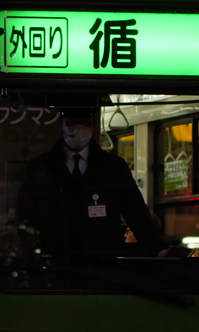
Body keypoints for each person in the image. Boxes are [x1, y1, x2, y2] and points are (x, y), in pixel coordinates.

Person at [16, 106, 163, 262]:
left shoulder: (114, 167)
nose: (79, 128)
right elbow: (26, 216)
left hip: (102, 263)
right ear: (61, 126)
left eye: (85, 123)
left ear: (93, 126)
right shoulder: (40, 167)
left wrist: (158, 249)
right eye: (72, 122)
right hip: (56, 263)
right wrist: (31, 256)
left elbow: (136, 212)